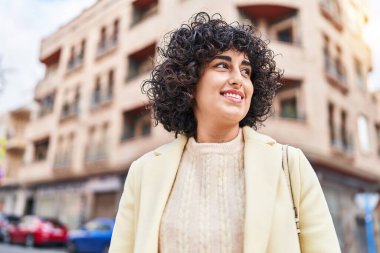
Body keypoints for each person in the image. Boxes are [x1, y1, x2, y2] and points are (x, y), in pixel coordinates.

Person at [109, 12, 341, 253]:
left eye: (246, 71)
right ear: (188, 80)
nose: (238, 80)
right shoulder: (144, 172)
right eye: (222, 65)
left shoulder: (291, 166)